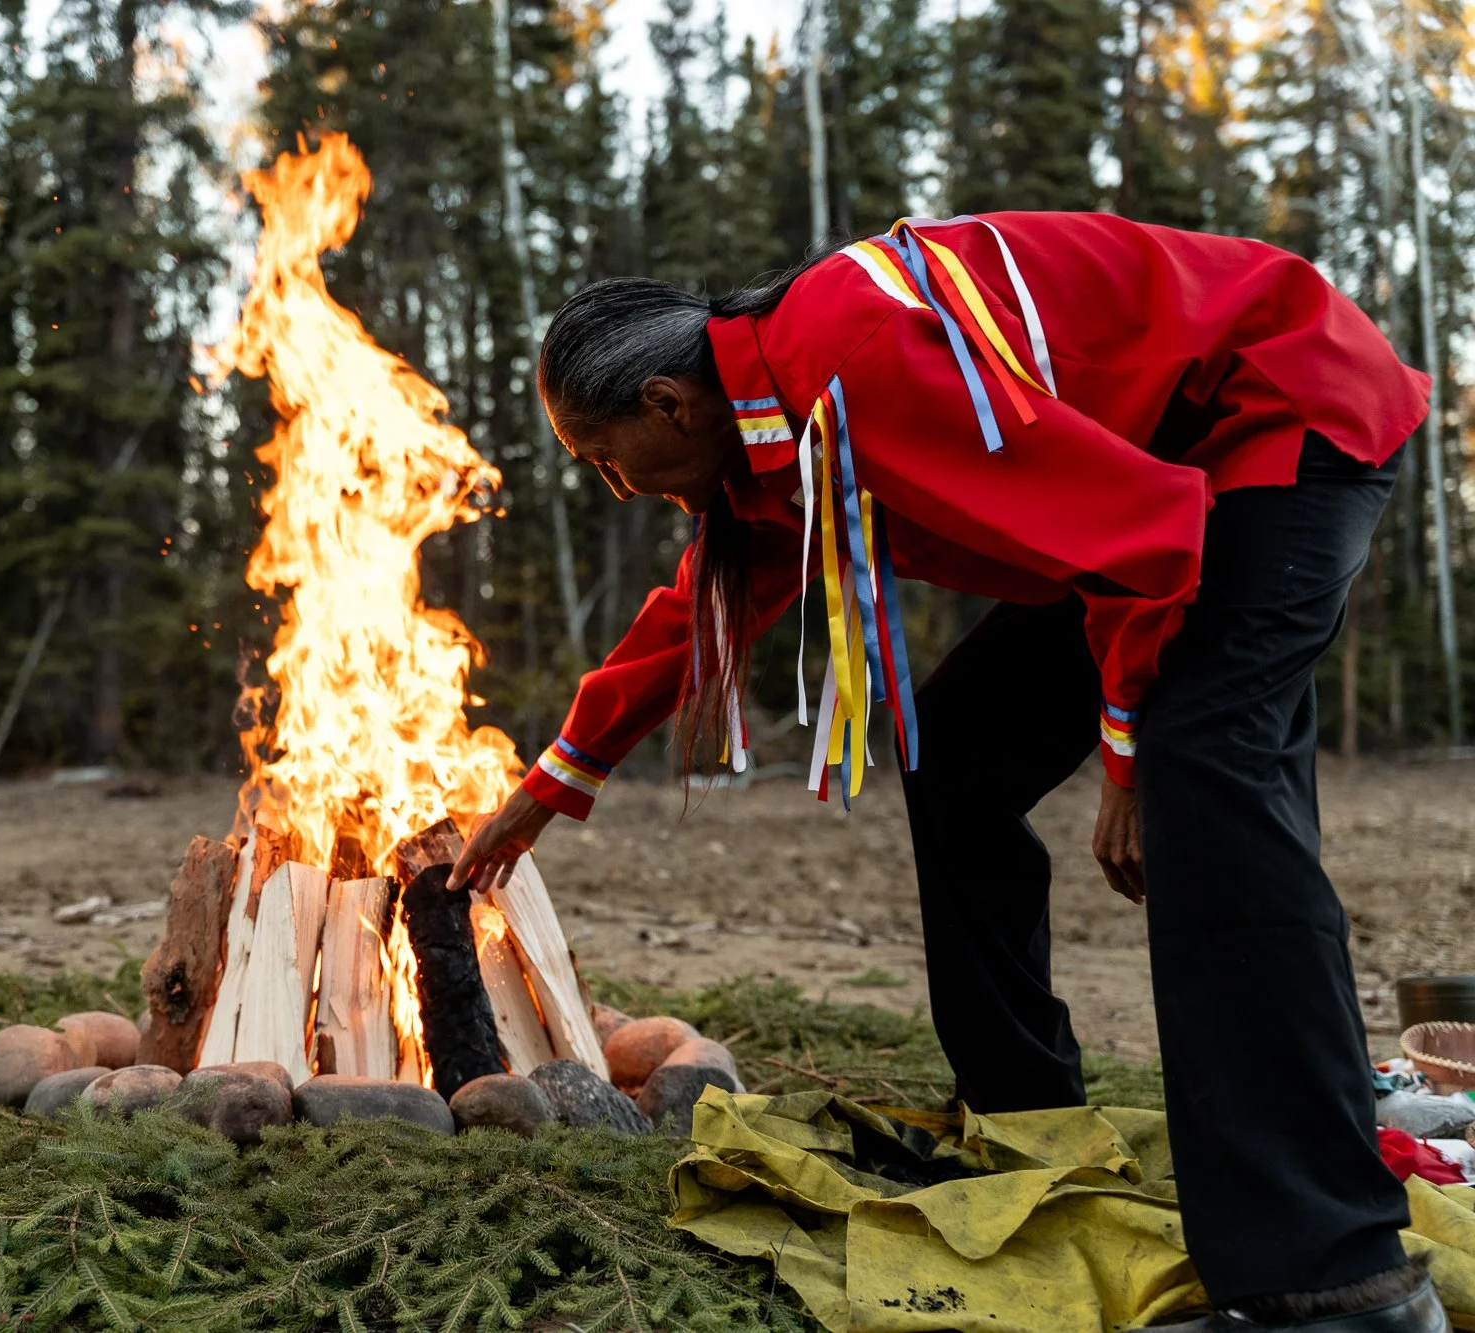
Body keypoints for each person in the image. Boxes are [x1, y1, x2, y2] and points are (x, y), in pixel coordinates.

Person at [445, 213, 1445, 1332]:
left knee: (1206, 792)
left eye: (602, 458)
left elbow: (1147, 536)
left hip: (1273, 419)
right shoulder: (775, 419)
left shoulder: (856, 364)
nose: (617, 487)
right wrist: (548, 783)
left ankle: (1330, 1279)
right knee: (958, 754)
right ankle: (1027, 1123)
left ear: (667, 405)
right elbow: (703, 607)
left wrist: (1126, 754)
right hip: (1158, 484)